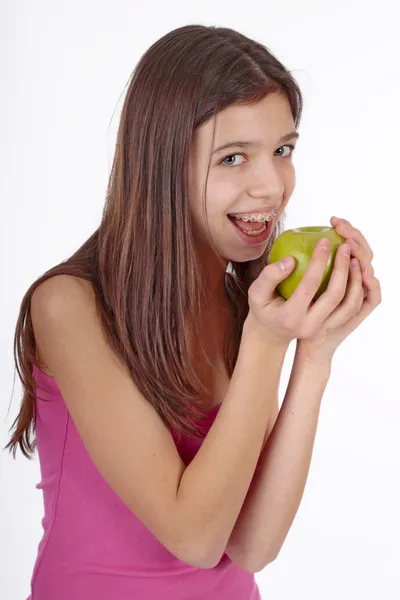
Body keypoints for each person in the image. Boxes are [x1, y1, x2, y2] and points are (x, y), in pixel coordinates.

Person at [5, 24, 381, 600]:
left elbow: (251, 547)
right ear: (163, 164)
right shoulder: (69, 307)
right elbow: (195, 538)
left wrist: (315, 353)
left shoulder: (243, 305)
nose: (271, 186)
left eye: (283, 150)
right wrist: (265, 342)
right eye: (234, 158)